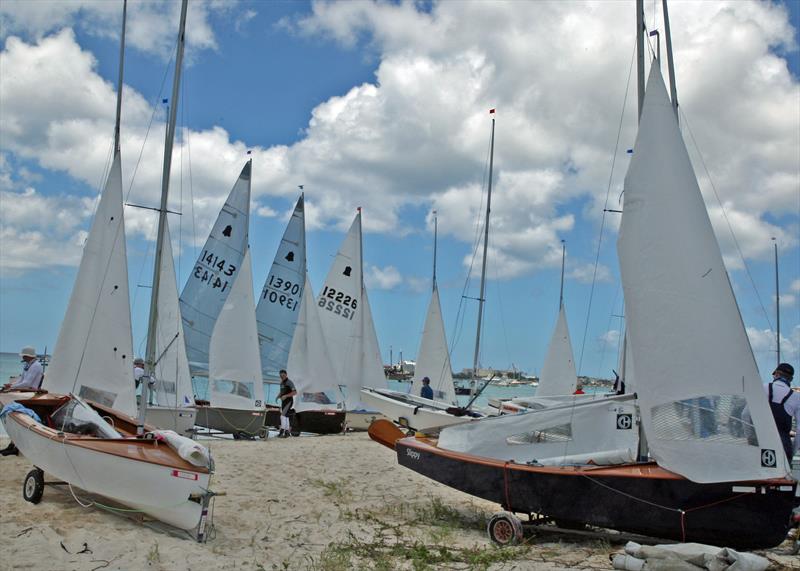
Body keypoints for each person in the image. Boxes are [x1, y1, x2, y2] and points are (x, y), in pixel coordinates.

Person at [1, 346, 44, 456]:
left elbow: (28, 383)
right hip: (24, 390)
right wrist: (11, 385)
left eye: (24, 355)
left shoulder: (36, 366)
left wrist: (12, 388)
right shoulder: (28, 365)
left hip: (30, 392)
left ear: (28, 356)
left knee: (9, 404)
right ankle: (12, 445)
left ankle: (14, 446)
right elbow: (21, 380)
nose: (23, 357)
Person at [766, 362, 800, 462]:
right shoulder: (797, 397)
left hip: (761, 442)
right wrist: (791, 451)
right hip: (783, 446)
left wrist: (752, 439)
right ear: (791, 379)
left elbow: (745, 415)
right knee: (782, 477)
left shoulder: (762, 388)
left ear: (776, 374)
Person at [277, 369, 297, 438]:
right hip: (283, 402)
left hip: (289, 401)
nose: (282, 376)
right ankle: (287, 432)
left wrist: (286, 396)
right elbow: (281, 392)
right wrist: (278, 396)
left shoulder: (289, 382)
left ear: (286, 375)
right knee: (286, 417)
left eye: (283, 375)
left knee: (282, 416)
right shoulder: (281, 383)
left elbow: (295, 392)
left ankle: (282, 432)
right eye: (280, 375)